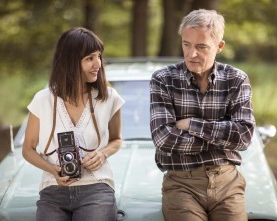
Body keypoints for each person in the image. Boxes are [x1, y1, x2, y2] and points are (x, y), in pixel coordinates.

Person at [150, 9, 255, 221]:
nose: (191, 54)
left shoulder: (236, 80)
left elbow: (243, 137)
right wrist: (222, 139)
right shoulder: (163, 80)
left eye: (201, 47)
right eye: (186, 44)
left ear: (219, 46)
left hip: (228, 182)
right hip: (181, 184)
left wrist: (191, 124)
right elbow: (163, 138)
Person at [22, 27, 125, 221]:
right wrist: (53, 169)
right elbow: (28, 149)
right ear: (69, 62)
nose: (98, 64)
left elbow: (116, 139)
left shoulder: (109, 98)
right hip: (53, 189)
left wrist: (102, 154)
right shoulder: (43, 99)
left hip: (97, 186)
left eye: (99, 56)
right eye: (89, 58)